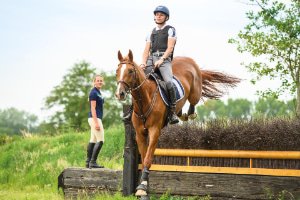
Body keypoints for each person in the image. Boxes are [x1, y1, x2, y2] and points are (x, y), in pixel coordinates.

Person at [123, 5, 179, 124]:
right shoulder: (151, 32)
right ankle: (132, 109)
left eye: (161, 15)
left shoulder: (171, 30)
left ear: (166, 17)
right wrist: (143, 62)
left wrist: (162, 59)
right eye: (157, 14)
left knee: (169, 82)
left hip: (165, 59)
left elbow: (170, 48)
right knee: (137, 80)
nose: (158, 16)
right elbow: (146, 50)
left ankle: (173, 112)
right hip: (151, 58)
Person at [86, 75, 105, 168]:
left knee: (93, 140)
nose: (100, 82)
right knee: (101, 140)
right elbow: (93, 108)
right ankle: (93, 162)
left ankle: (88, 162)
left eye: (101, 80)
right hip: (95, 118)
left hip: (96, 118)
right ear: (94, 82)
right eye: (98, 80)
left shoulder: (98, 92)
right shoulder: (93, 93)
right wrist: (96, 122)